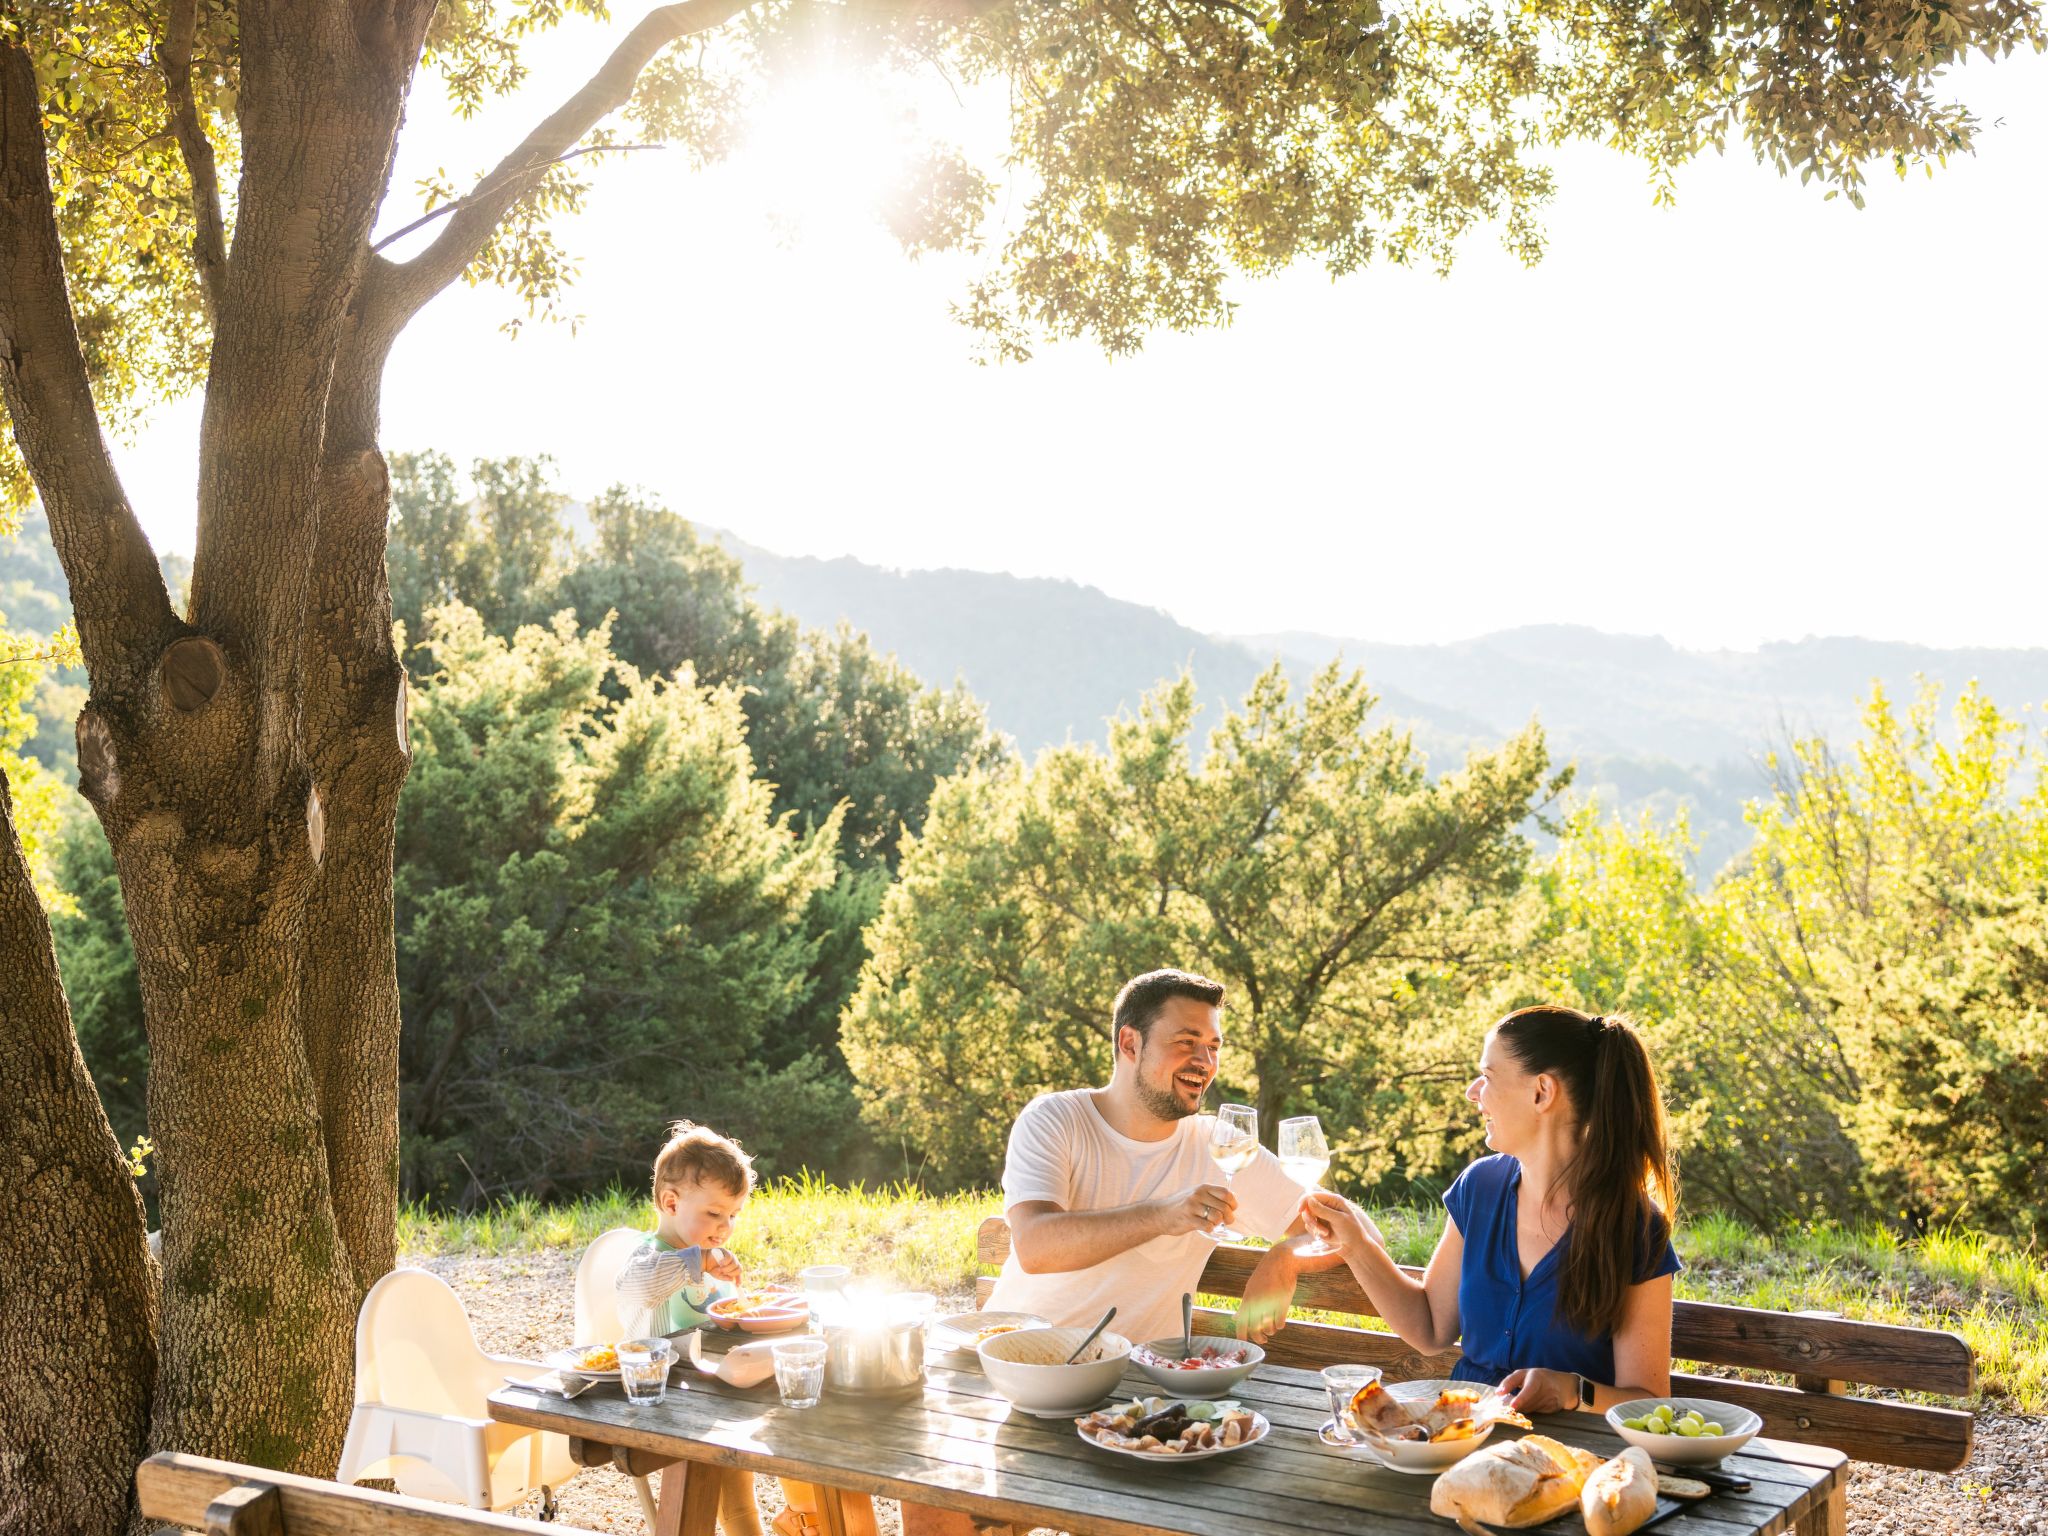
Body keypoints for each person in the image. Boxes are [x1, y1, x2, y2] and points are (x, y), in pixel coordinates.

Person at [1302, 1007, 1679, 1414]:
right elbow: (1431, 1327)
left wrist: (1574, 1390)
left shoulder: (1636, 1228)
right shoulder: (1479, 1187)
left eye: (1488, 1076)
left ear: (1541, 1092)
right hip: (1462, 1440)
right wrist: (1355, 1245)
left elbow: (1649, 1400)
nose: (1472, 1092)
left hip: (1570, 1464)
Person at [985, 967, 1329, 1350]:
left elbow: (1348, 1227)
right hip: (1019, 1362)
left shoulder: (1221, 1146)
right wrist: (1164, 1215)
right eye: (1186, 1041)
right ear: (1130, 1044)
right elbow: (1035, 1247)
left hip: (1139, 1388)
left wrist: (1285, 1257)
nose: (1205, 1061)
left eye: (1214, 1047)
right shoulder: (1054, 1119)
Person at [614, 1123, 767, 1536]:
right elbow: (640, 1286)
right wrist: (696, 1261)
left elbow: (726, 1315)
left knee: (797, 1422)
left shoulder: (707, 1258)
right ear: (670, 1202)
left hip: (715, 1387)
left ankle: (805, 1519)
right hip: (666, 1395)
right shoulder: (648, 1256)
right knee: (729, 1479)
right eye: (714, 1213)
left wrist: (740, 1297)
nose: (726, 1226)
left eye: (733, 1215)